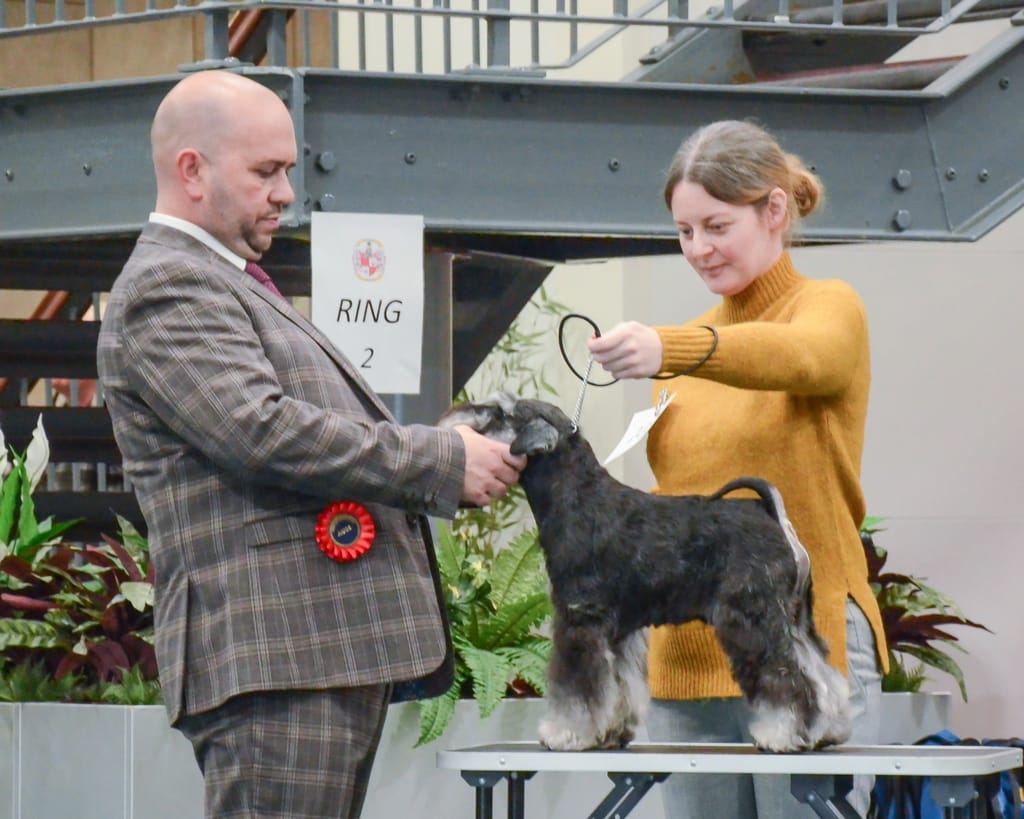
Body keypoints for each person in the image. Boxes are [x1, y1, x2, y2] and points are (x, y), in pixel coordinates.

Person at [96, 69, 525, 819]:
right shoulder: (169, 286)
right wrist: (440, 459)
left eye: (287, 170)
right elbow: (261, 432)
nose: (287, 192)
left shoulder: (222, 279)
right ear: (192, 170)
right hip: (278, 658)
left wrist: (435, 440)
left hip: (308, 655)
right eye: (266, 171)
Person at [587, 119, 888, 819]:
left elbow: (806, 359)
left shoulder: (826, 309)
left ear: (774, 209)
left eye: (715, 225)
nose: (698, 249)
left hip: (800, 650)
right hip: (688, 671)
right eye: (684, 231)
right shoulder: (691, 356)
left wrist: (674, 345)